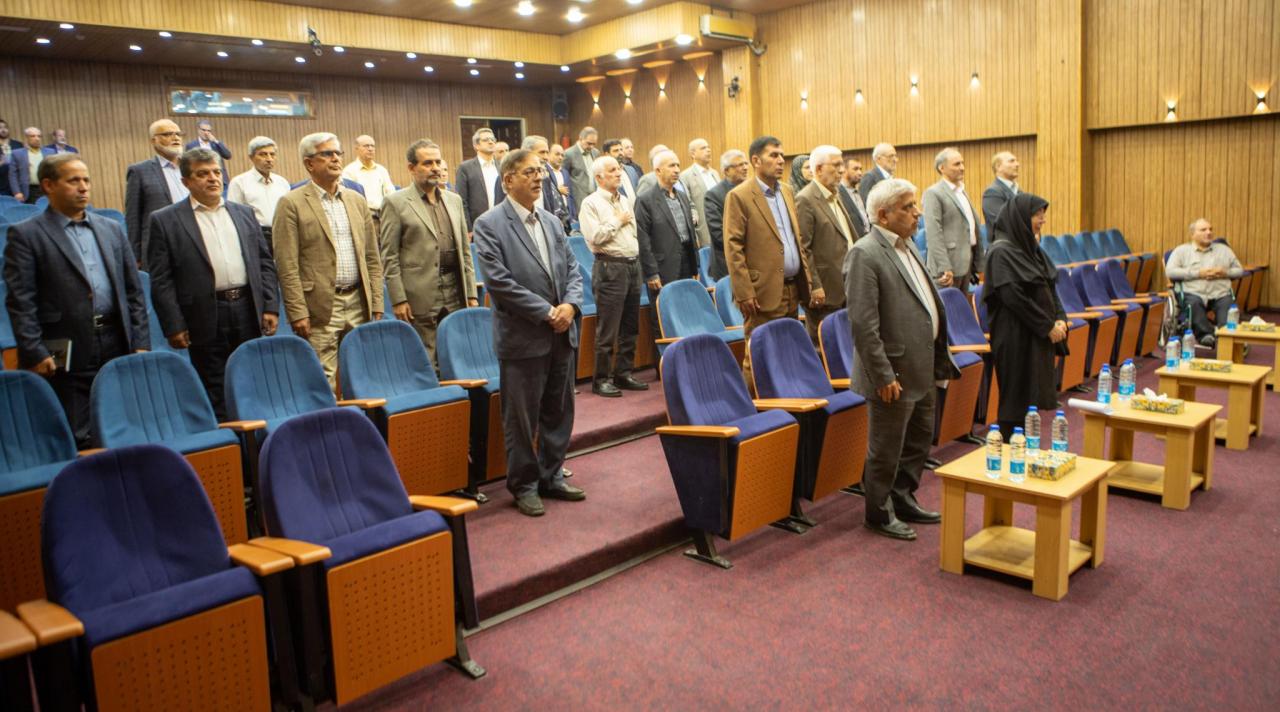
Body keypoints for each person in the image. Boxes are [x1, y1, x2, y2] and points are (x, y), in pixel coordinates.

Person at [3, 154, 149, 447]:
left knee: (123, 422)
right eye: (73, 181)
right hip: (65, 344)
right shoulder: (27, 234)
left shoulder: (110, 229)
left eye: (86, 180)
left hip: (116, 338)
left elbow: (133, 292)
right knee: (77, 430)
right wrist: (34, 350)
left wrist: (141, 341)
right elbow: (21, 302)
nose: (83, 187)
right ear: (48, 185)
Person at [472, 149, 585, 517]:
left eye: (540, 171)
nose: (539, 177)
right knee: (521, 419)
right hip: (523, 336)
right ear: (508, 180)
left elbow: (573, 269)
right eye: (529, 172)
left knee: (559, 411)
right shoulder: (490, 224)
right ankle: (524, 485)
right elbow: (499, 283)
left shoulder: (551, 221)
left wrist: (571, 305)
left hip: (561, 333)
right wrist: (548, 312)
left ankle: (552, 476)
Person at [845, 178, 960, 541]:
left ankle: (903, 497)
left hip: (921, 365)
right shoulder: (865, 253)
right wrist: (882, 375)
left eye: (914, 205)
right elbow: (863, 324)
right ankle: (878, 512)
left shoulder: (907, 245)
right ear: (883, 215)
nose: (917, 213)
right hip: (892, 372)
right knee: (886, 447)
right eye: (908, 207)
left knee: (918, 440)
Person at [146, 148, 279, 419]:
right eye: (202, 174)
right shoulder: (165, 220)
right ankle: (228, 437)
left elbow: (264, 262)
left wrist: (270, 306)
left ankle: (258, 435)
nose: (213, 178)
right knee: (215, 384)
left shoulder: (244, 213)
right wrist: (173, 324)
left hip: (247, 307)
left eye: (216, 172)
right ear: (186, 181)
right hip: (203, 313)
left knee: (253, 375)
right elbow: (162, 280)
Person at [272, 132, 384, 389]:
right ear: (309, 163)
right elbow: (287, 265)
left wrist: (377, 301)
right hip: (321, 305)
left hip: (358, 301)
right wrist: (297, 312)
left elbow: (372, 257)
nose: (335, 158)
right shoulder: (291, 203)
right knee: (325, 381)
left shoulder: (356, 200)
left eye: (338, 153)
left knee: (362, 376)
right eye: (327, 154)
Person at [724, 136, 823, 389]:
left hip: (792, 286)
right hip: (761, 291)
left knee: (786, 350)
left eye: (782, 155)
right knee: (757, 353)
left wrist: (809, 281)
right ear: (756, 161)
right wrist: (744, 292)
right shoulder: (739, 196)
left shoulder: (787, 191)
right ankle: (751, 404)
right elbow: (733, 248)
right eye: (774, 155)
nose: (781, 161)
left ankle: (785, 398)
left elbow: (796, 240)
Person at [380, 139, 479, 364]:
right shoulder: (395, 203)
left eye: (437, 162)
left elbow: (465, 251)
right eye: (427, 163)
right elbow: (389, 256)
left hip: (455, 288)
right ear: (411, 167)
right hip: (420, 292)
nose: (435, 168)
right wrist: (398, 299)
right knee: (427, 359)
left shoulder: (454, 200)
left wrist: (472, 294)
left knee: (458, 356)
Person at [982, 192, 1068, 440]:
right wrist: (1047, 326)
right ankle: (1010, 449)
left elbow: (1049, 286)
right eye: (1037, 215)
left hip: (1036, 334)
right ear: (1020, 218)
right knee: (1014, 401)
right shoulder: (1000, 252)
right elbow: (1013, 297)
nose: (1042, 220)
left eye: (1043, 215)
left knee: (1031, 400)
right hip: (1014, 337)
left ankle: (1026, 448)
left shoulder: (1032, 248)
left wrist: (1060, 317)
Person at [579, 155, 648, 398]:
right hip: (610, 267)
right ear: (599, 177)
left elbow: (634, 234)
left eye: (619, 169)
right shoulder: (590, 203)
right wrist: (617, 221)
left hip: (632, 265)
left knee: (630, 326)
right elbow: (594, 237)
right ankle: (602, 379)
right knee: (608, 328)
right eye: (612, 170)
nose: (619, 173)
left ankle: (623, 373)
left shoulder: (626, 200)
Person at [796, 145, 856, 345]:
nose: (842, 170)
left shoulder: (836, 195)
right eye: (836, 165)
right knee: (826, 348)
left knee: (847, 346)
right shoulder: (805, 199)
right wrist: (814, 285)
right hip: (825, 291)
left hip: (846, 285)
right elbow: (803, 247)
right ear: (819, 169)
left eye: (842, 165)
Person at [636, 149, 699, 335]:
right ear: (658, 171)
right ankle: (664, 354)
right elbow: (643, 239)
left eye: (678, 165)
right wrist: (651, 273)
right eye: (671, 166)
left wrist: (695, 265)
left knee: (686, 312)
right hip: (662, 267)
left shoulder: (682, 196)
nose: (677, 169)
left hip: (686, 261)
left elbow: (690, 232)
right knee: (663, 316)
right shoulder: (645, 200)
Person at [1166, 218, 1243, 347]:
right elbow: (1170, 272)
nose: (1209, 232)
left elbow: (1240, 271)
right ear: (1193, 234)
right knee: (1194, 303)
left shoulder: (1224, 250)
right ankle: (1205, 335)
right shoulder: (1181, 251)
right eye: (1203, 230)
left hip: (1220, 293)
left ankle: (1227, 338)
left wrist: (1225, 272)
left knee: (1228, 305)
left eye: (1210, 229)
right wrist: (1198, 273)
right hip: (1193, 293)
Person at [125, 119, 190, 267]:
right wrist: (135, 255)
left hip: (192, 242)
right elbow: (133, 216)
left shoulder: (191, 167)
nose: (176, 138)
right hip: (159, 246)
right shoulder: (140, 171)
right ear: (154, 140)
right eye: (168, 134)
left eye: (178, 134)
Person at [923, 147, 983, 288]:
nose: (962, 168)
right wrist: (944, 266)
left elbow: (971, 226)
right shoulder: (933, 193)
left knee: (962, 302)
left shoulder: (961, 191)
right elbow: (933, 233)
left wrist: (978, 262)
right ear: (942, 168)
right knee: (947, 302)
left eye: (962, 163)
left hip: (966, 262)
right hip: (947, 267)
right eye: (956, 164)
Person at [227, 136, 292, 243]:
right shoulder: (239, 183)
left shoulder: (282, 182)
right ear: (251, 157)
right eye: (263, 154)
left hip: (282, 235)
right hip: (255, 236)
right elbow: (235, 216)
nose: (269, 159)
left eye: (272, 154)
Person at [704, 149, 749, 281]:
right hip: (728, 264)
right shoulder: (713, 195)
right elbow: (719, 234)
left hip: (754, 260)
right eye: (740, 165)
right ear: (726, 171)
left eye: (746, 163)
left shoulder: (752, 189)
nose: (745, 168)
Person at [455, 127, 500, 231]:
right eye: (486, 140)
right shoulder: (465, 168)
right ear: (476, 146)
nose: (491, 142)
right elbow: (461, 201)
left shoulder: (502, 166)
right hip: (478, 225)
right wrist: (468, 228)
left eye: (493, 139)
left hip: (501, 223)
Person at [679, 138, 720, 248]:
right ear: (693, 154)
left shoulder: (714, 173)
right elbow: (688, 205)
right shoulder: (685, 176)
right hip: (703, 232)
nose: (708, 150)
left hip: (720, 227)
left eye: (708, 147)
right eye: (703, 148)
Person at [342, 135, 396, 217]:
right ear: (357, 149)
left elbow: (391, 193)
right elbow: (349, 198)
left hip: (383, 215)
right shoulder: (349, 171)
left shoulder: (381, 170)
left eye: (372, 146)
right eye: (366, 146)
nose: (370, 149)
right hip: (362, 215)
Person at [185, 120, 232, 193]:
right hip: (202, 181)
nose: (206, 133)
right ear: (198, 130)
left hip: (220, 180)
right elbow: (188, 164)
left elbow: (228, 155)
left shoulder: (216, 144)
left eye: (209, 131)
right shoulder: (191, 145)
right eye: (204, 130)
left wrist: (216, 141)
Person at [563, 127, 599, 218]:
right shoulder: (569, 154)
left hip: (595, 197)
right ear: (580, 139)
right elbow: (563, 177)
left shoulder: (596, 153)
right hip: (578, 200)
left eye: (594, 144)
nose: (591, 147)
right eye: (589, 143)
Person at [982, 151, 1020, 228]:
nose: (1017, 164)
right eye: (1011, 161)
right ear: (998, 167)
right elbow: (1000, 223)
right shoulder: (992, 192)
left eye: (1016, 161)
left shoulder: (1019, 191)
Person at [838, 156, 872, 238]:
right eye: (855, 169)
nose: (860, 173)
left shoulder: (859, 192)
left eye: (860, 169)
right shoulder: (838, 194)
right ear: (844, 170)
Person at [1, 118, 28, 200]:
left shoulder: (18, 144)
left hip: (18, 184)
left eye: (5, 127)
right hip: (2, 184)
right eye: (0, 128)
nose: (3, 130)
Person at [19, 127, 43, 203]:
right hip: (30, 190)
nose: (37, 139)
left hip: (47, 188)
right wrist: (17, 192)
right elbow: (13, 175)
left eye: (39, 136)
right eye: (33, 136)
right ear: (26, 138)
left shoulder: (49, 152)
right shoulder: (18, 154)